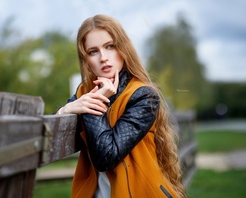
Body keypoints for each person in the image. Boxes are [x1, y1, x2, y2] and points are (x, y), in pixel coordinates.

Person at [55, 14, 186, 198]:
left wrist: (96, 100)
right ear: (86, 59)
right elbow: (51, 132)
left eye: (110, 46)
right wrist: (65, 110)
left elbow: (106, 157)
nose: (103, 58)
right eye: (93, 51)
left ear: (123, 48)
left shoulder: (143, 95)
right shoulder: (84, 90)